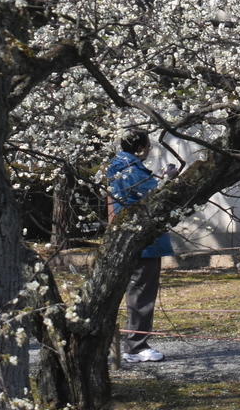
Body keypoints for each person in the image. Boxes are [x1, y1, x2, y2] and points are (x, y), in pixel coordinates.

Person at [107, 130, 178, 363]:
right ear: (139, 148)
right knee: (142, 292)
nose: (149, 150)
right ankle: (136, 346)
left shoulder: (118, 165)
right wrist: (169, 180)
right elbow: (153, 199)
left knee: (134, 291)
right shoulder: (131, 169)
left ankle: (132, 343)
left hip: (130, 237)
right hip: (143, 239)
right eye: (148, 146)